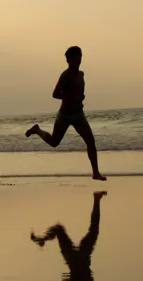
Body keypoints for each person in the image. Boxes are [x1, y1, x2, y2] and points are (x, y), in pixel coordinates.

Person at [25, 46, 106, 181]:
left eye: (80, 56)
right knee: (54, 142)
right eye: (75, 57)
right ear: (68, 60)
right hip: (65, 115)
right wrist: (72, 98)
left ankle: (95, 173)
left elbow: (78, 93)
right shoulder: (65, 75)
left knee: (90, 141)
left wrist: (79, 100)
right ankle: (37, 130)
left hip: (78, 114)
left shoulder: (81, 75)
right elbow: (55, 94)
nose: (78, 59)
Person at [31, 191, 107, 281]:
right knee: (62, 229)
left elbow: (84, 275)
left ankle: (97, 199)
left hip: (83, 257)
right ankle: (43, 239)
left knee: (92, 228)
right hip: (73, 260)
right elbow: (65, 280)